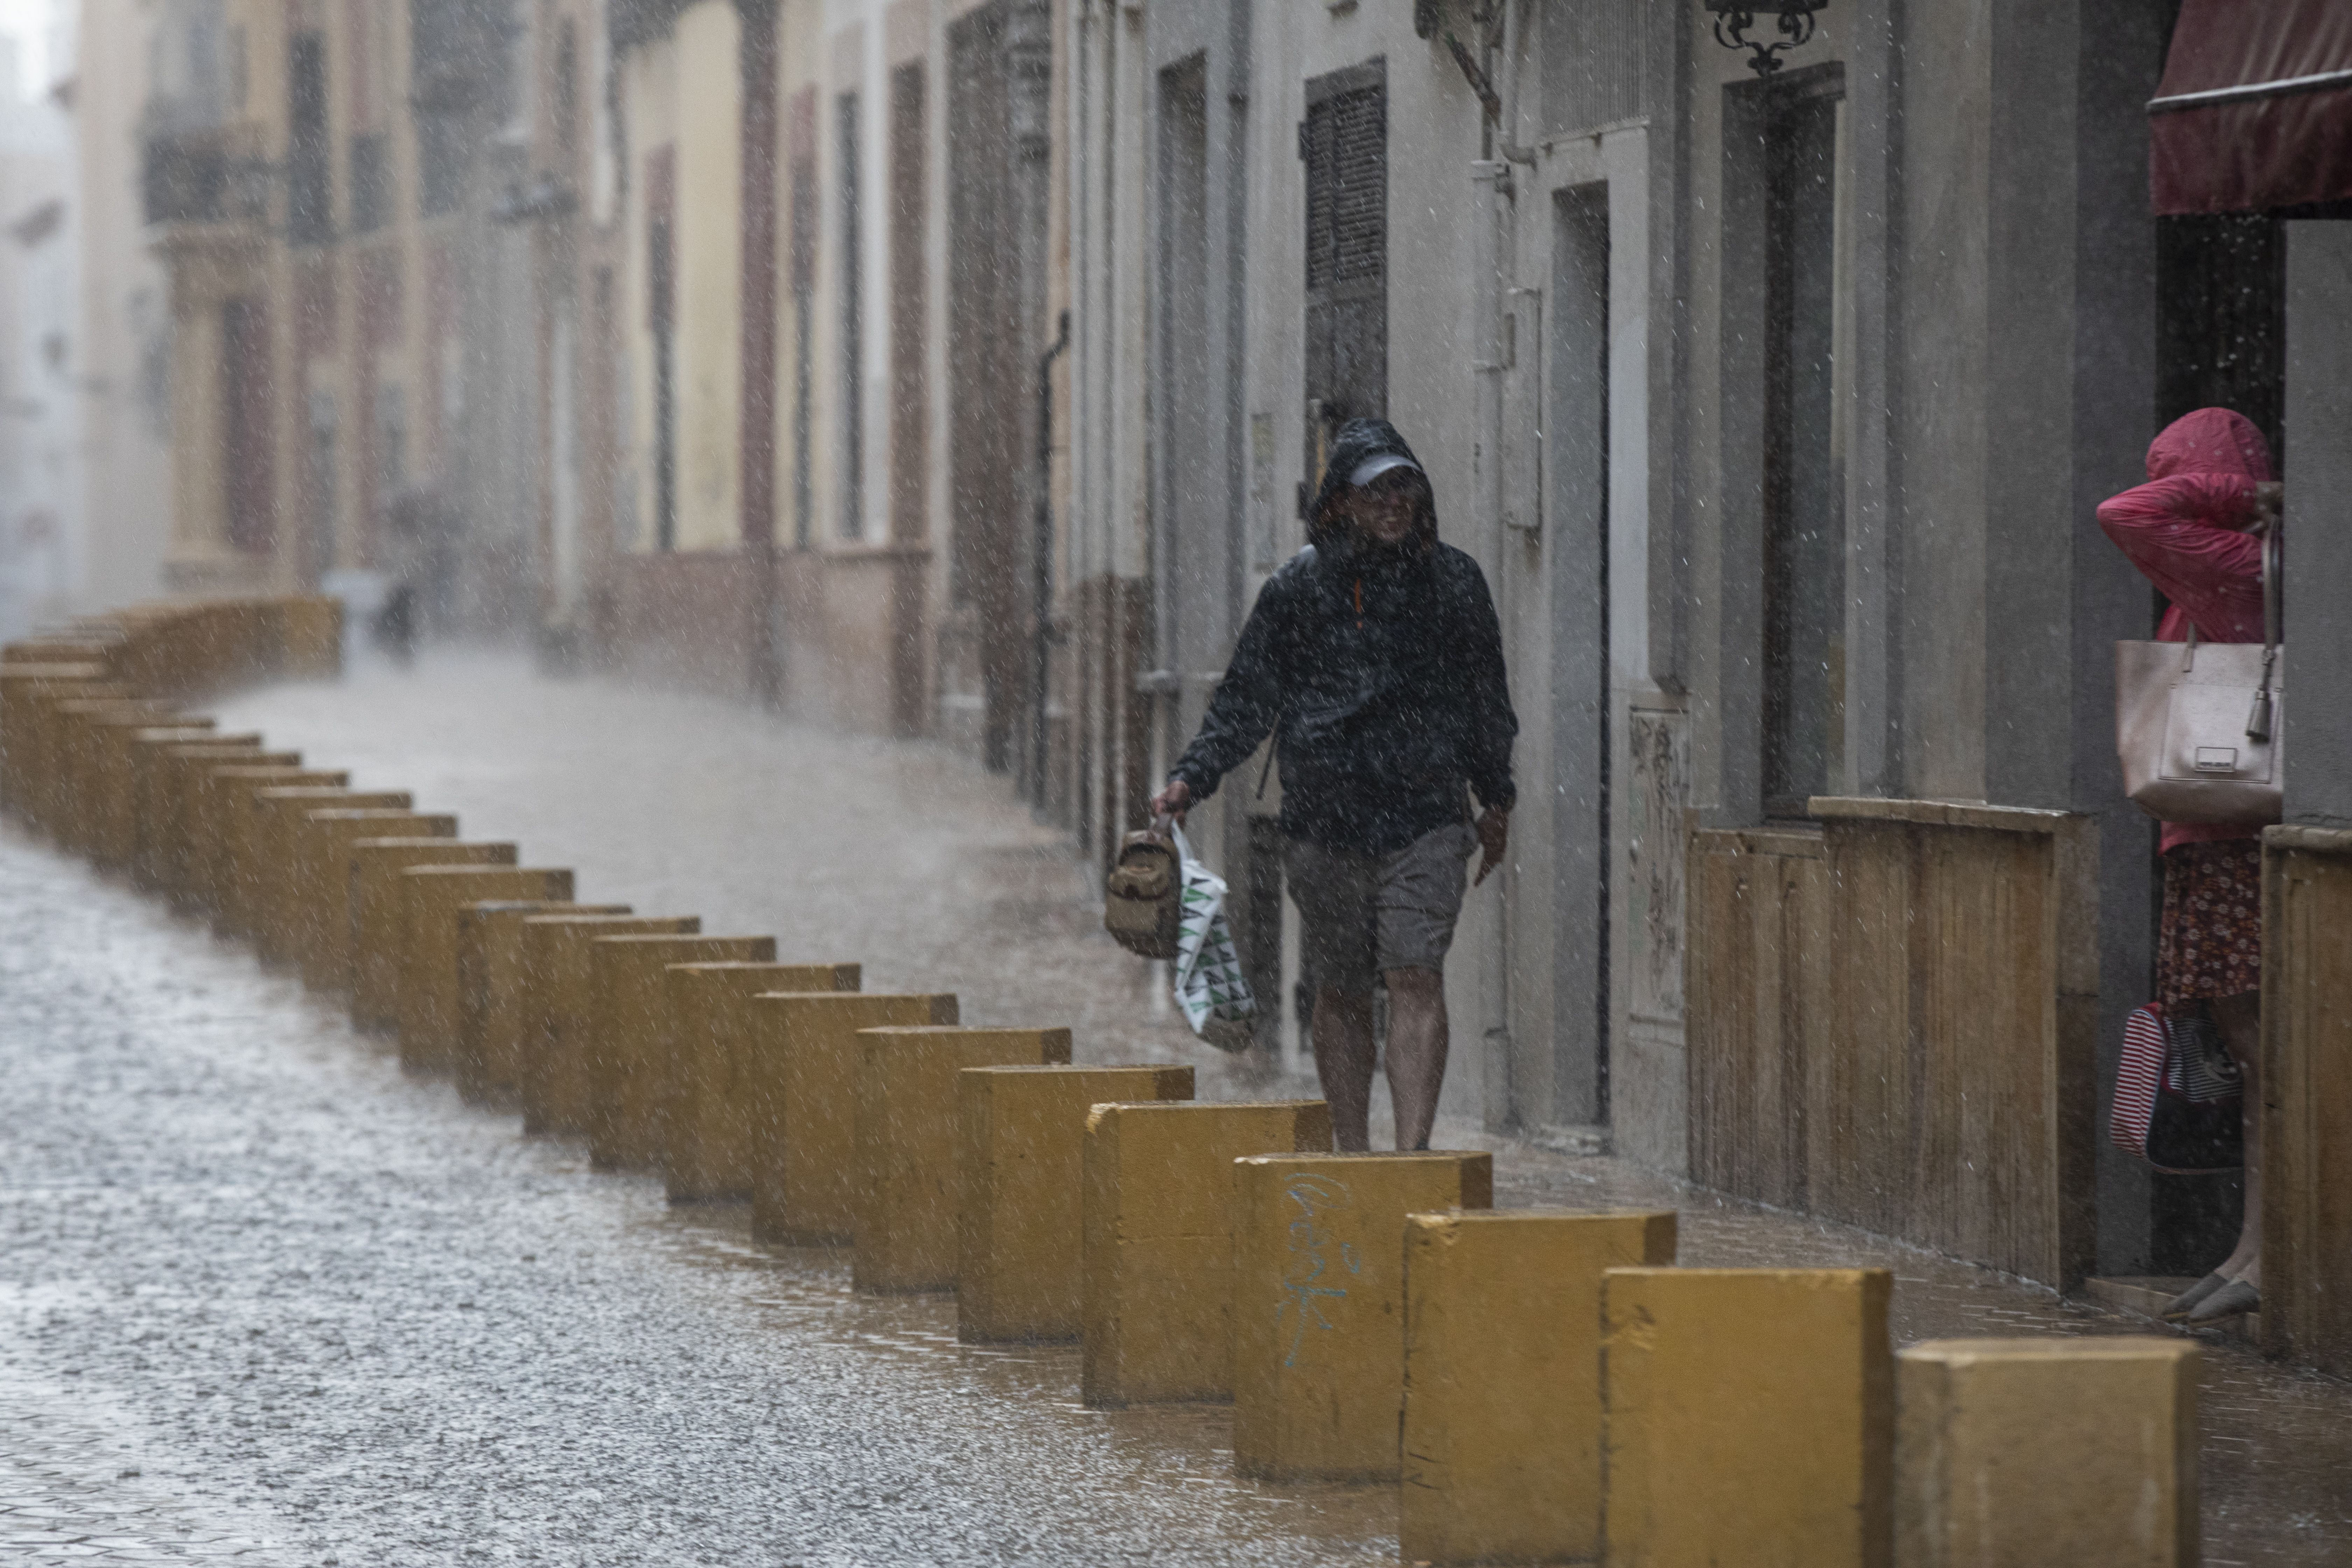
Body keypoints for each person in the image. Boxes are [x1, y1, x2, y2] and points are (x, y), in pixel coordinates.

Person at [1148, 419, 1517, 1153]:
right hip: (1325, 822)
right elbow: (1246, 700)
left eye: (1403, 486)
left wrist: (1496, 796)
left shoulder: (1455, 583)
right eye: (1375, 490)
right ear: (1341, 501)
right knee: (1342, 986)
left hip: (1426, 817)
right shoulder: (1299, 588)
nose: (1392, 502)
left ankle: (1410, 1161)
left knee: (1416, 975)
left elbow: (1485, 701)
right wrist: (1192, 777)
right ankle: (1354, 1156)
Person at [2097, 405, 2281, 1326]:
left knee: (2263, 1052)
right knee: (2248, 1056)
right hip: (2215, 840)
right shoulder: (2235, 564)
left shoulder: (2236, 561)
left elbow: (2123, 512)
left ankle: (2273, 1248)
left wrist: (2237, 495)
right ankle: (2253, 1244)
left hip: (2229, 841)